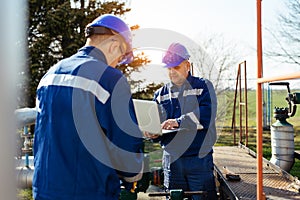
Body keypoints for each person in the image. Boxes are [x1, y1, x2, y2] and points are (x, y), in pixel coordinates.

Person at [33, 14, 144, 200]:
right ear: (114, 45)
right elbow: (126, 148)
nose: (118, 64)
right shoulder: (110, 79)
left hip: (44, 190)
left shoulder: (50, 75)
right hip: (89, 191)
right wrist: (134, 174)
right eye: (120, 57)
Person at [145, 43, 218, 200]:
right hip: (172, 161)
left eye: (176, 67)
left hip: (198, 159)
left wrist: (179, 121)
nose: (172, 72)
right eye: (169, 68)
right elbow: (157, 125)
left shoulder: (203, 87)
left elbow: (207, 114)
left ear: (187, 65)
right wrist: (152, 133)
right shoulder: (159, 95)